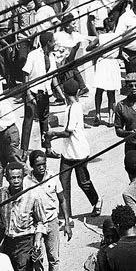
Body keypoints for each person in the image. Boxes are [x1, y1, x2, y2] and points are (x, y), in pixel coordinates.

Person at [49, 78, 102, 218]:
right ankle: (65, 216)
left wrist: (52, 133)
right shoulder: (70, 107)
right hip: (67, 152)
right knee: (63, 184)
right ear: (78, 92)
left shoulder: (74, 108)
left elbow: (68, 132)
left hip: (78, 152)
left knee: (83, 182)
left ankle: (97, 201)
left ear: (64, 93)